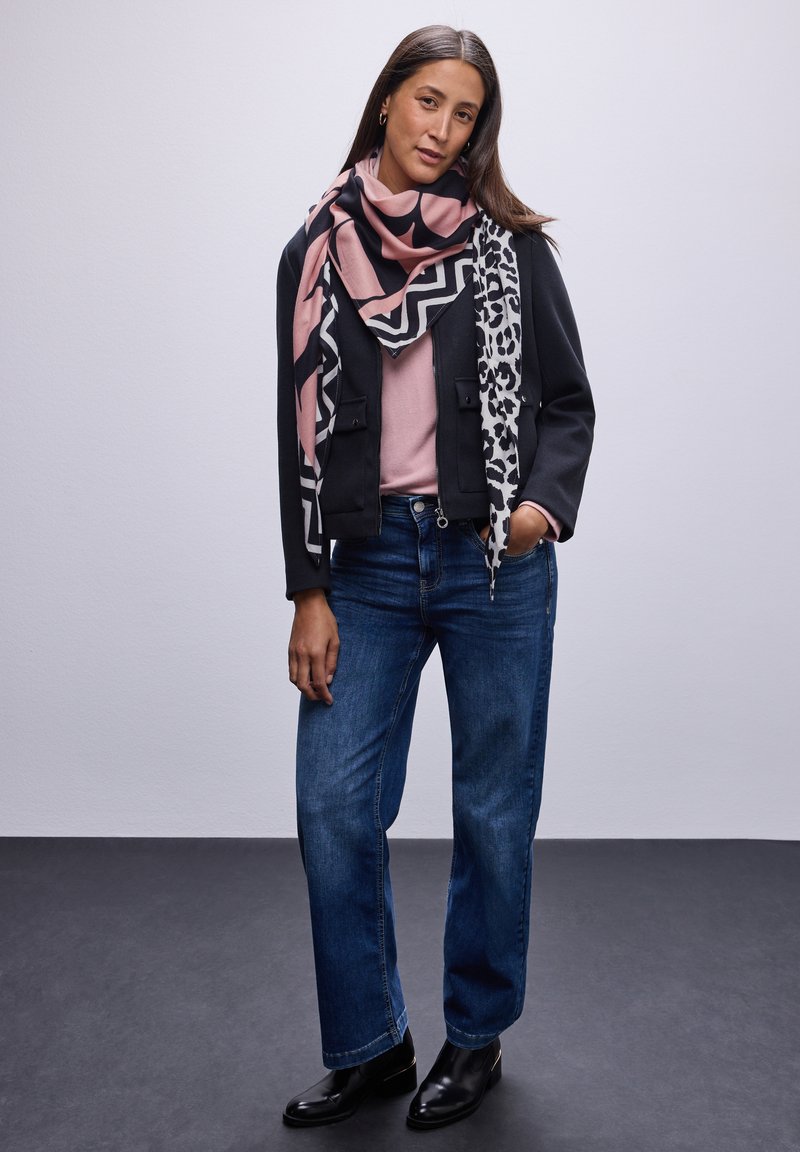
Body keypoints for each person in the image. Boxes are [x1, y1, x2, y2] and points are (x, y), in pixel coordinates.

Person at [276, 25, 594, 1131]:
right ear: (386, 103)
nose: (442, 129)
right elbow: (294, 434)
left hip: (490, 564)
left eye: (464, 114)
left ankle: (475, 1037)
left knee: (493, 808)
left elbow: (567, 405)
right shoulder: (316, 251)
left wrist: (540, 507)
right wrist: (307, 590)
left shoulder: (512, 250)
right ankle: (371, 1045)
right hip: (363, 564)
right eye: (427, 102)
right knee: (332, 803)